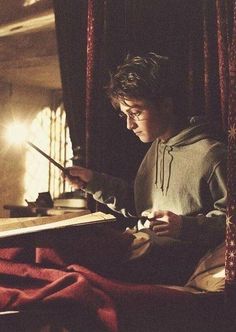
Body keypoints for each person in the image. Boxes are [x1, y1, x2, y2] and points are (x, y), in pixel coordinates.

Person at [63, 53, 227, 285]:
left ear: (166, 105)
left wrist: (184, 227)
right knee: (65, 247)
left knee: (79, 272)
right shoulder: (157, 147)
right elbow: (140, 206)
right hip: (145, 248)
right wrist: (93, 182)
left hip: (176, 264)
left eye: (136, 113)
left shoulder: (212, 153)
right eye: (125, 115)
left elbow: (230, 222)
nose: (129, 125)